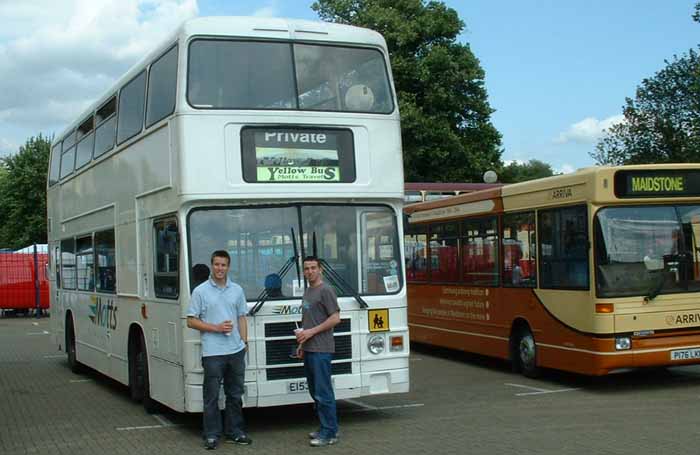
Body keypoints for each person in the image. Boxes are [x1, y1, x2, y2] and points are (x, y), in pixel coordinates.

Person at [187, 250, 252, 450]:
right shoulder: (200, 291)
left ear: (228, 267)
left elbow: (242, 316)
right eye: (216, 264)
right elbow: (191, 321)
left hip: (235, 351)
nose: (220, 268)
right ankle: (212, 435)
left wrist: (244, 342)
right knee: (212, 396)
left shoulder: (237, 290)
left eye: (223, 265)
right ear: (212, 265)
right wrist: (216, 328)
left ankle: (235, 432)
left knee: (235, 394)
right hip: (213, 353)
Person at [295, 256, 341, 447]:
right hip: (310, 348)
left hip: (322, 349)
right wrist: (301, 344)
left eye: (313, 268)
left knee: (323, 393)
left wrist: (311, 333)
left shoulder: (326, 290)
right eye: (306, 269)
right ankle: (325, 428)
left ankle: (330, 433)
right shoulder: (308, 291)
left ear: (320, 269)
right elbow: (308, 321)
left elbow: (336, 318)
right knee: (315, 392)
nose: (310, 271)